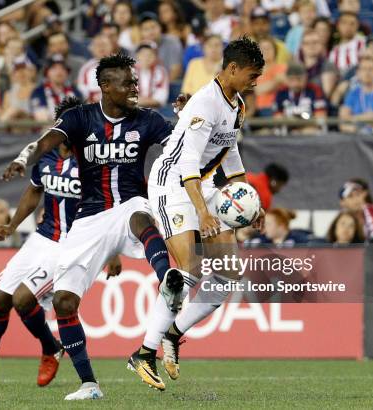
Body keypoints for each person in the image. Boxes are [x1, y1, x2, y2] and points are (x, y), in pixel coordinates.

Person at [1, 54, 184, 400]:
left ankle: (168, 279)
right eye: (127, 82)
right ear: (105, 87)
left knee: (139, 216)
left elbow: (182, 144)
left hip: (131, 203)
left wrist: (188, 118)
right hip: (89, 220)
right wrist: (24, 158)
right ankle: (89, 384)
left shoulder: (148, 120)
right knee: (65, 304)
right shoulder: (80, 118)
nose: (135, 87)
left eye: (135, 81)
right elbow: (46, 142)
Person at [128, 37, 264, 391]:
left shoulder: (237, 104)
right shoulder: (205, 103)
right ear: (232, 68)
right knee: (188, 269)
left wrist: (252, 202)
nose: (256, 80)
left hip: (201, 182)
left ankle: (173, 334)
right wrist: (203, 213)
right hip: (171, 182)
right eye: (252, 74)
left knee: (229, 274)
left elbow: (230, 155)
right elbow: (187, 163)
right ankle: (143, 353)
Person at [0, 98, 95, 388]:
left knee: (22, 299)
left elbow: (105, 203)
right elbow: (34, 192)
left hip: (70, 244)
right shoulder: (46, 156)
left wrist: (112, 250)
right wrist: (13, 225)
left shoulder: (91, 161)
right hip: (42, 237)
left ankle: (50, 347)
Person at [339, 56, 373, 133]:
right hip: (356, 138)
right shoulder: (352, 93)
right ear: (358, 73)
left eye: (370, 69)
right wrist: (371, 117)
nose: (367, 73)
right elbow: (343, 123)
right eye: (364, 69)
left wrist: (353, 119)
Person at [273, 61, 327, 134]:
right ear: (286, 79)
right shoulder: (281, 92)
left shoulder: (316, 90)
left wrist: (299, 128)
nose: (296, 84)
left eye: (299, 79)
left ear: (306, 78)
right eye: (292, 79)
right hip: (288, 131)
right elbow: (277, 119)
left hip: (309, 131)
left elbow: (320, 118)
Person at [31, 54, 81, 122]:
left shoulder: (75, 91)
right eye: (54, 68)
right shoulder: (39, 92)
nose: (59, 71)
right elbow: (41, 117)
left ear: (67, 73)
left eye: (63, 68)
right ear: (47, 72)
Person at [139, 12, 183, 81]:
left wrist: (161, 87)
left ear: (160, 27)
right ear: (141, 32)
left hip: (171, 85)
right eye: (146, 29)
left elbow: (176, 70)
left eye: (153, 27)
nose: (151, 32)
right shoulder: (140, 48)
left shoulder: (172, 41)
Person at [298, 29, 339, 97]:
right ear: (301, 46)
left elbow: (326, 94)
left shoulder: (328, 65)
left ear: (321, 45)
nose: (311, 46)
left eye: (315, 42)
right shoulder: (297, 67)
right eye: (307, 43)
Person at [254, 36, 287, 117]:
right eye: (262, 48)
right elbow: (257, 90)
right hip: (257, 110)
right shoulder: (252, 72)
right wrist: (276, 81)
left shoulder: (283, 67)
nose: (265, 51)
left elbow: (288, 83)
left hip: (277, 108)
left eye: (268, 48)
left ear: (275, 51)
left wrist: (267, 85)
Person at [0, 55, 37, 124]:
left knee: (13, 110)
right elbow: (4, 114)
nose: (21, 72)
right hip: (12, 126)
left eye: (24, 68)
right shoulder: (8, 94)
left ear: (32, 72)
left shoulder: (39, 90)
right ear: (13, 74)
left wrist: (20, 112)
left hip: (32, 127)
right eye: (17, 70)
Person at [77, 33, 113, 103]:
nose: (101, 48)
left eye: (104, 45)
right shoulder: (85, 69)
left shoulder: (123, 66)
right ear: (92, 49)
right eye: (98, 45)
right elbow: (82, 92)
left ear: (111, 46)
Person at [134, 41, 169, 109]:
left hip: (153, 110)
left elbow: (159, 100)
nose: (146, 58)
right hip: (131, 111)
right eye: (143, 54)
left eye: (150, 55)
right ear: (137, 55)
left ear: (156, 57)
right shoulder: (128, 70)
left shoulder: (161, 72)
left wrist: (136, 101)